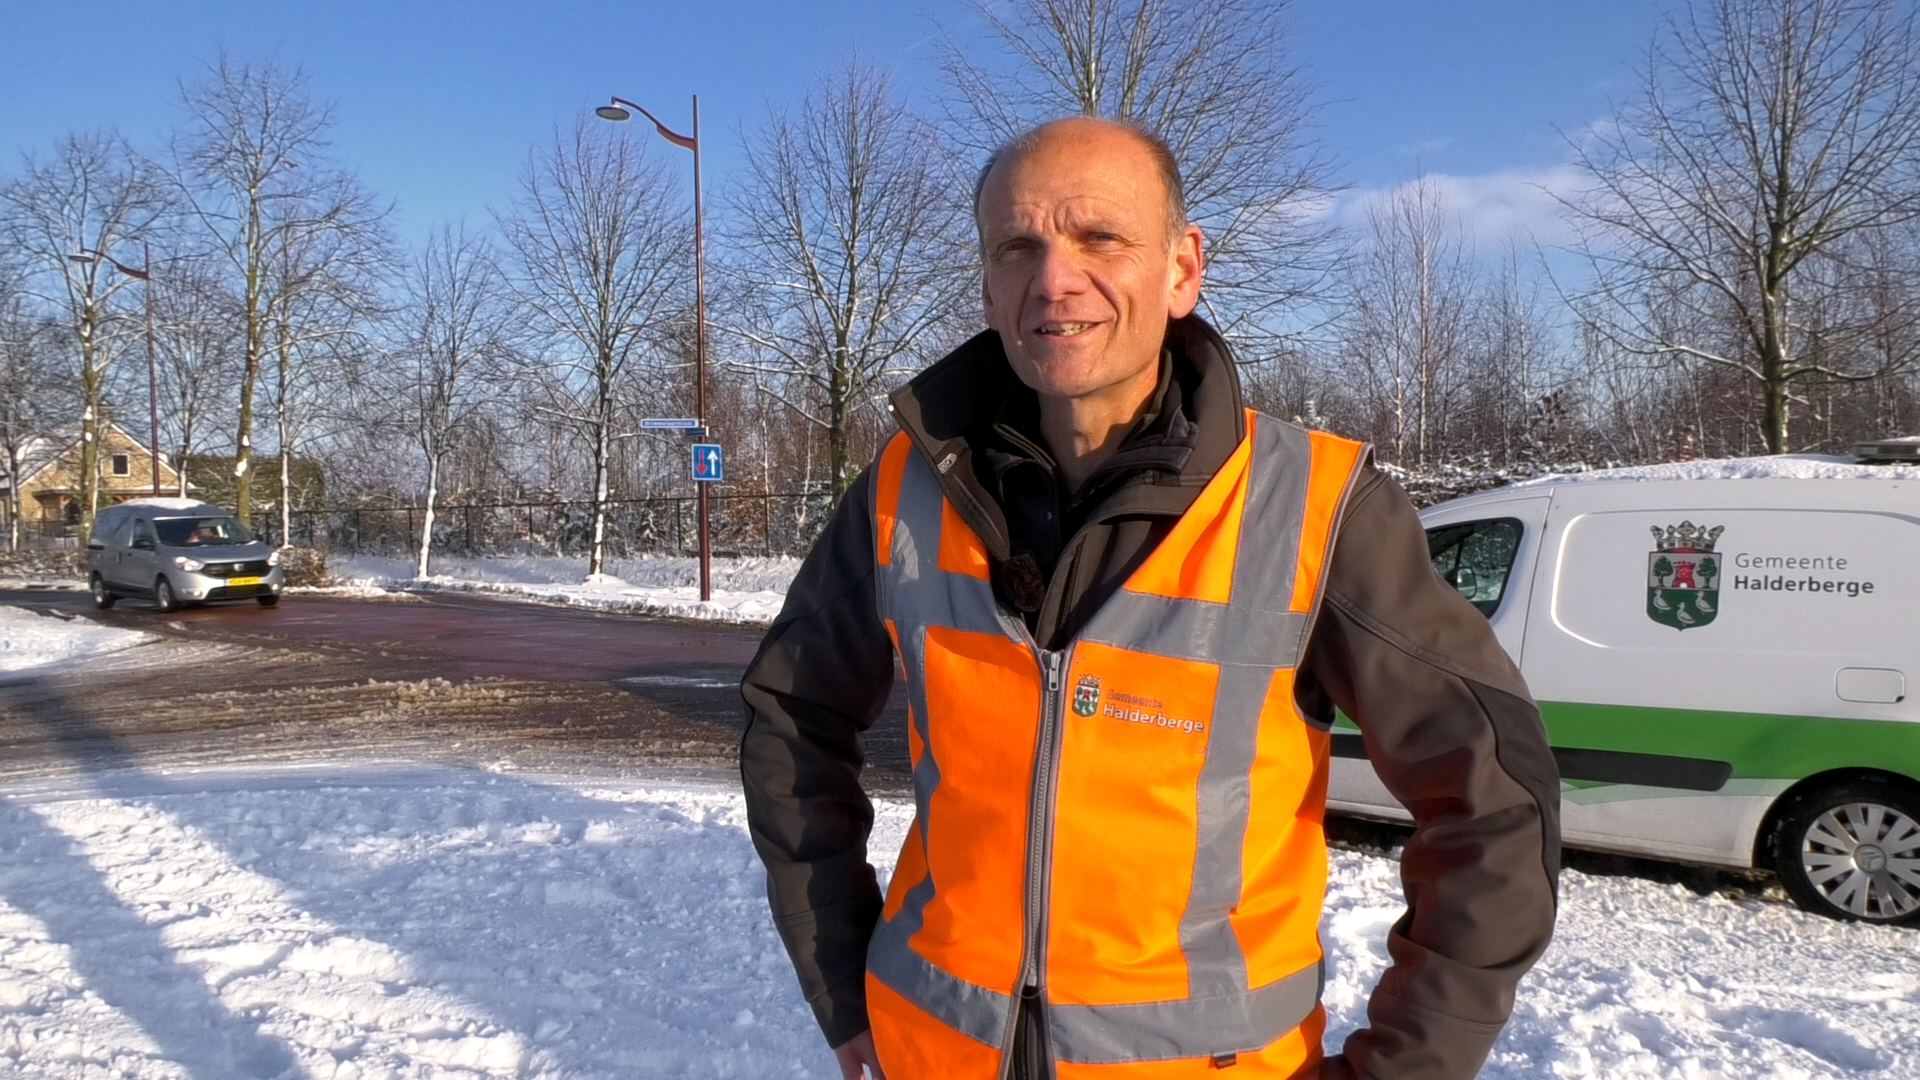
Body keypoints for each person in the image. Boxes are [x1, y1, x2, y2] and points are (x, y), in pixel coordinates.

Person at [740, 116, 1560, 1080]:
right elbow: (791, 715)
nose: (1055, 280)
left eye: (1101, 238)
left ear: (1181, 269)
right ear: (989, 284)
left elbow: (1493, 801)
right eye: (1019, 247)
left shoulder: (1315, 509)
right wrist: (842, 980)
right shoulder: (903, 487)